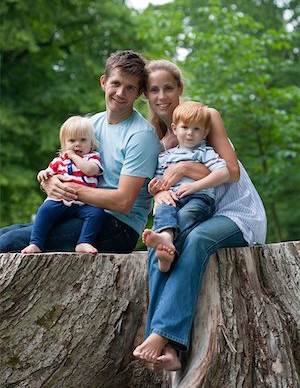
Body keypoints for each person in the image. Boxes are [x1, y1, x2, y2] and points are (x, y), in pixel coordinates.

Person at [133, 59, 267, 371]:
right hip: (190, 214)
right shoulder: (155, 139)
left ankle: (160, 333)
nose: (162, 96)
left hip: (235, 213)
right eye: (154, 90)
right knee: (163, 244)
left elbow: (230, 172)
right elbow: (154, 184)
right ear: (145, 95)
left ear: (180, 89)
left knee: (194, 241)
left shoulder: (205, 117)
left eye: (169, 88)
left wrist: (183, 168)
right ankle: (172, 351)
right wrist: (159, 191)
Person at [0, 50, 161, 253]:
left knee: (9, 243)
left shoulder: (141, 135)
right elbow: (65, 162)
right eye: (116, 83)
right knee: (6, 233)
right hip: (78, 211)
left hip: (118, 227)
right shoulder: (91, 124)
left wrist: (71, 189)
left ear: (138, 93)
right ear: (104, 82)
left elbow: (123, 202)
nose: (121, 93)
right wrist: (49, 182)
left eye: (130, 88)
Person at [142, 101, 230, 272]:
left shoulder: (204, 152)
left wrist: (195, 186)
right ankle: (165, 239)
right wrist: (155, 191)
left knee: (186, 215)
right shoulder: (165, 157)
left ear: (205, 133)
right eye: (185, 127)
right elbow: (159, 182)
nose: (190, 133)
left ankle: (170, 253)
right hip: (173, 198)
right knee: (162, 210)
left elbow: (224, 173)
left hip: (199, 198)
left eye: (196, 129)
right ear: (175, 128)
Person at [22, 115, 105, 255]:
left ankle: (84, 242)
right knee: (44, 210)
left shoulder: (92, 157)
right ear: (64, 144)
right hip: (60, 201)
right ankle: (36, 243)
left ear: (91, 143)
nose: (77, 144)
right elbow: (49, 171)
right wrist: (43, 174)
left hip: (84, 203)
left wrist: (74, 156)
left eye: (83, 140)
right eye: (72, 141)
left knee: (97, 213)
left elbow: (90, 170)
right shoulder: (59, 160)